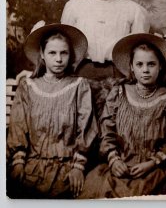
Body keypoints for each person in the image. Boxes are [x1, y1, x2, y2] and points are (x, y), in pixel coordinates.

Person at [79, 33, 166, 198]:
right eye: (139, 64)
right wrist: (113, 159)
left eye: (151, 64)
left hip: (154, 171)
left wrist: (152, 162)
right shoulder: (118, 93)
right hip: (119, 167)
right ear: (131, 67)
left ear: (160, 66)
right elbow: (106, 132)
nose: (145, 70)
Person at [6, 23, 98, 199]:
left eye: (64, 53)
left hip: (68, 167)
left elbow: (86, 128)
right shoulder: (28, 87)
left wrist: (78, 167)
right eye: (52, 53)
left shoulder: (79, 86)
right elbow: (18, 126)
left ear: (70, 55)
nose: (58, 59)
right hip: (32, 165)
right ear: (42, 54)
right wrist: (18, 162)